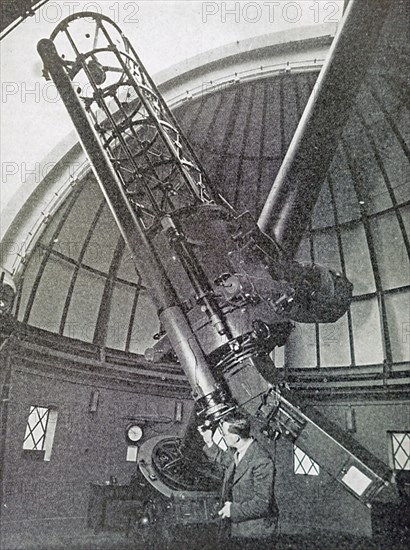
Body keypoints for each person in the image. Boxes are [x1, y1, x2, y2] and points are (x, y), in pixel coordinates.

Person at [198, 411, 278, 549]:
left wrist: (232, 510)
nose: (223, 436)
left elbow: (262, 504)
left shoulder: (262, 461)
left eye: (224, 434)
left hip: (255, 533)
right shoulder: (238, 450)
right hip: (237, 528)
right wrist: (209, 442)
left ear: (235, 437)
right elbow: (226, 460)